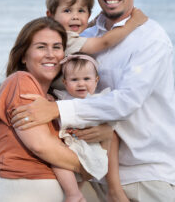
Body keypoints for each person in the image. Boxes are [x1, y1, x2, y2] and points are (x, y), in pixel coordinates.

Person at [11, 0, 175, 202]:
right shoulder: (86, 36)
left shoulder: (151, 39)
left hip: (144, 174)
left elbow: (125, 102)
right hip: (90, 169)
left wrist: (57, 109)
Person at [0, 17, 89, 202]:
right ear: (24, 55)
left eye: (57, 47)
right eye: (41, 47)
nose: (51, 54)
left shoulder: (54, 100)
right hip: (20, 190)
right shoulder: (20, 81)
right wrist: (89, 166)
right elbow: (41, 145)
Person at [54, 52, 128, 201]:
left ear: (96, 80)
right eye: (74, 80)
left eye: (86, 79)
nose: (81, 83)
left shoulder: (99, 100)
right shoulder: (63, 98)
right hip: (70, 145)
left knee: (85, 171)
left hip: (90, 147)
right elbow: (54, 111)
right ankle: (73, 193)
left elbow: (111, 120)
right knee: (58, 163)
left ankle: (76, 193)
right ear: (65, 82)